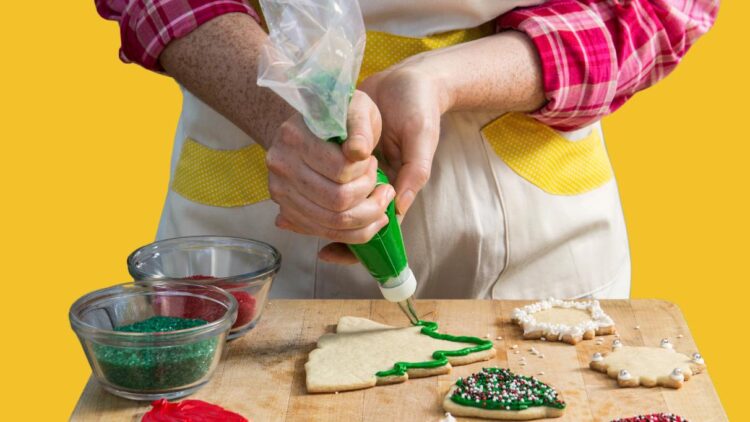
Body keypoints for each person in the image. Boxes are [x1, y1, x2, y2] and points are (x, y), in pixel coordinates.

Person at [95, 0, 717, 300]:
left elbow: (662, 8)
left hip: (538, 243)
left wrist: (443, 77)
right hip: (251, 242)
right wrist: (286, 110)